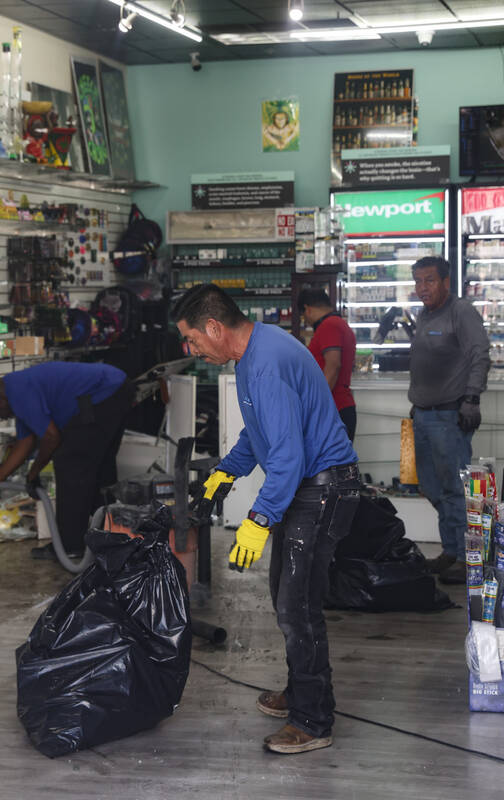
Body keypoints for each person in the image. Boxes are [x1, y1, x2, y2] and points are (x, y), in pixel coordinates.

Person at [175, 283, 360, 756]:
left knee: (297, 608)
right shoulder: (254, 355)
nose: (190, 349)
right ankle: (302, 693)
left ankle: (314, 720)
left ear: (214, 327)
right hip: (311, 487)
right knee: (286, 597)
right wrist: (224, 472)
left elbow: (287, 455)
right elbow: (259, 437)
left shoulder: (267, 363)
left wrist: (258, 519)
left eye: (193, 339)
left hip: (323, 490)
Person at [0, 361, 133, 560]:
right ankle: (109, 537)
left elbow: (52, 438)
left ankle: (70, 546)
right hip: (118, 386)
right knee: (99, 468)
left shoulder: (19, 393)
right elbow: (25, 443)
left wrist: (34, 473)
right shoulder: (16, 388)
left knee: (70, 464)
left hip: (103, 393)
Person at [408, 256, 489, 585]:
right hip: (424, 414)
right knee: (431, 486)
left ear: (446, 282)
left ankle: (464, 557)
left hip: (449, 414)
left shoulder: (461, 312)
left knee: (455, 488)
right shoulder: (424, 315)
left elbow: (479, 353)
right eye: (417, 282)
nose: (422, 288)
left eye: (428, 281)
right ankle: (451, 549)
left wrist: (472, 398)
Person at [297, 288, 358, 441]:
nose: (307, 321)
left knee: (331, 463)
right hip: (338, 406)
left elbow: (333, 365)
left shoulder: (329, 325)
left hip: (333, 408)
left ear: (307, 309)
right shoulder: (337, 324)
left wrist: (316, 404)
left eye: (304, 316)